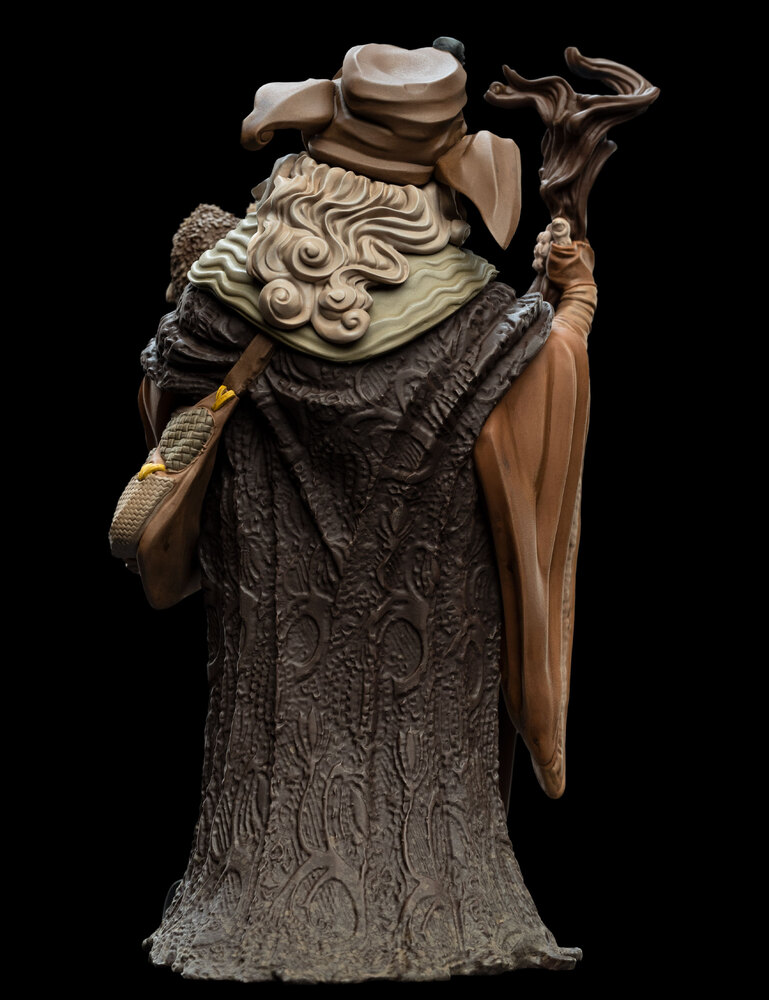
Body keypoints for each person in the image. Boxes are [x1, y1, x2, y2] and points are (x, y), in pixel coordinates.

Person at [135, 40, 594, 983]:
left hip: (277, 626)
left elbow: (168, 403)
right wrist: (574, 306)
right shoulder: (482, 324)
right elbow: (536, 402)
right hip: (427, 625)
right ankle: (433, 917)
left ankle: (254, 910)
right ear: (437, 185)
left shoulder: (223, 301)